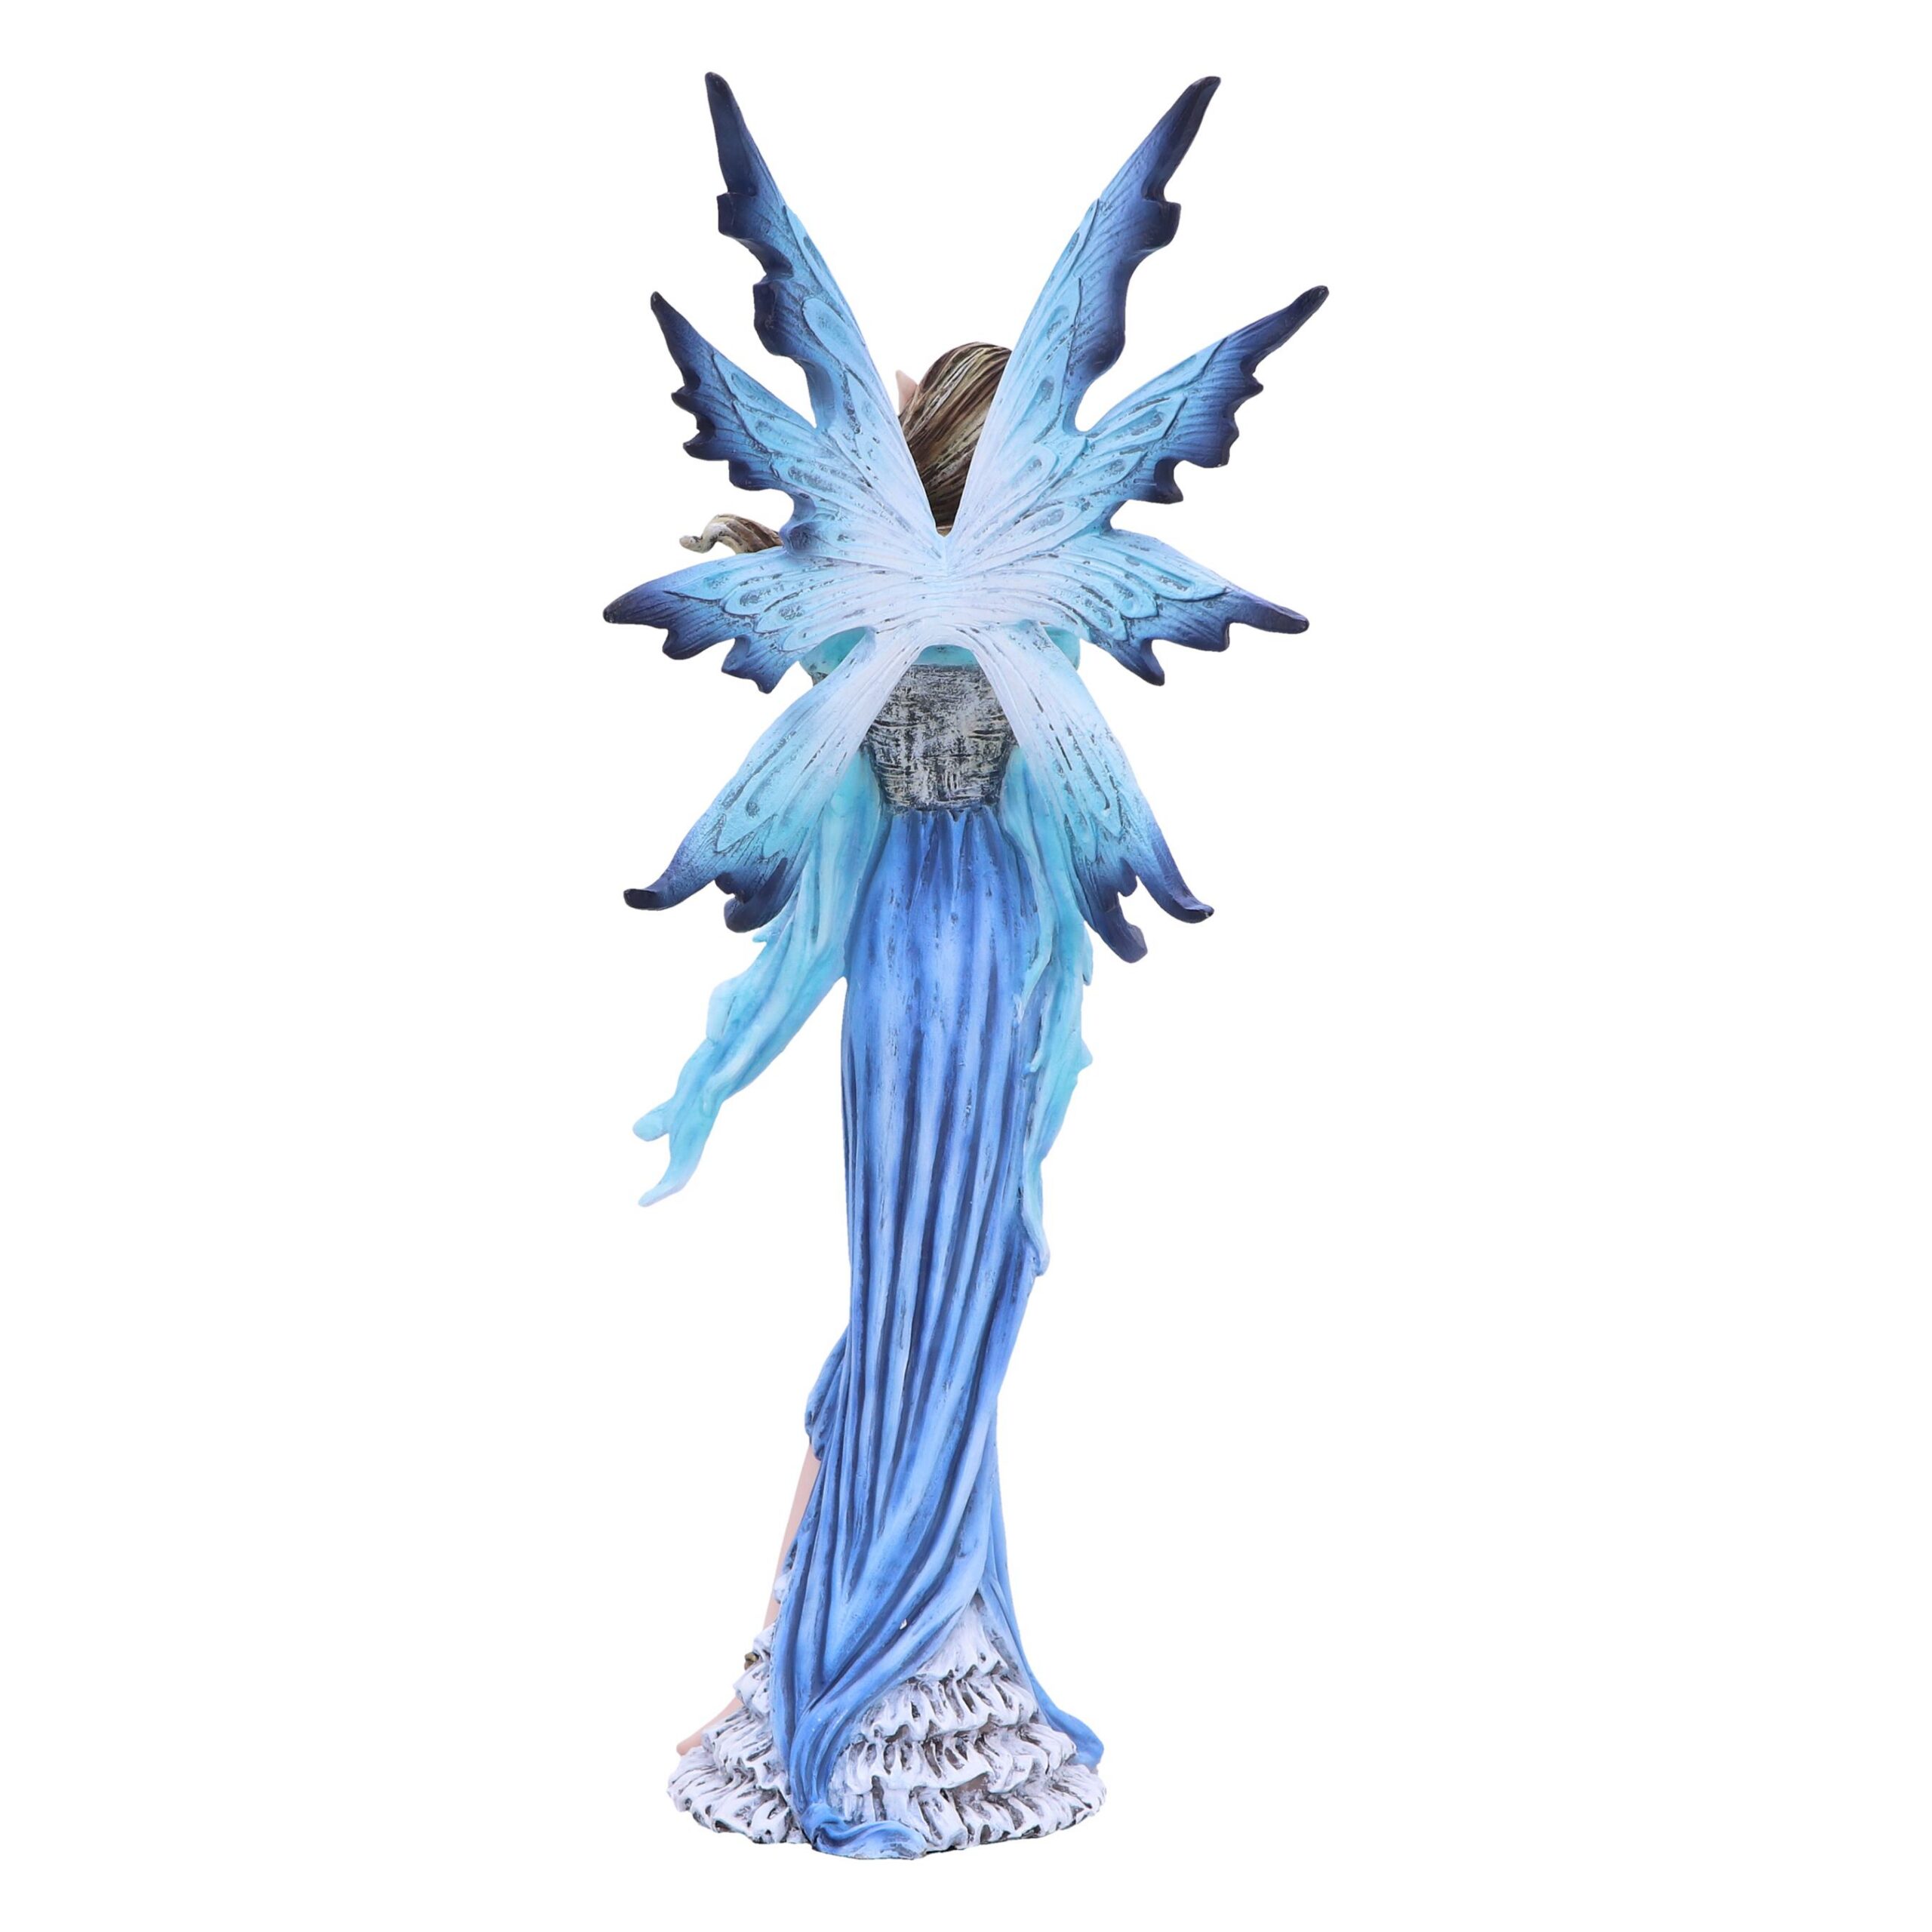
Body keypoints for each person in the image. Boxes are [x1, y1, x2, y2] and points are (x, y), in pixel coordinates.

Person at [607, 74, 1324, 1858]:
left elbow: (918, 787)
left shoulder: (876, 606)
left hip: (921, 956)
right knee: (940, 1288)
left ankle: (812, 1626)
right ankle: (849, 1638)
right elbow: (1047, 811)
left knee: (936, 1286)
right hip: (969, 947)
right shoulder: (1001, 615)